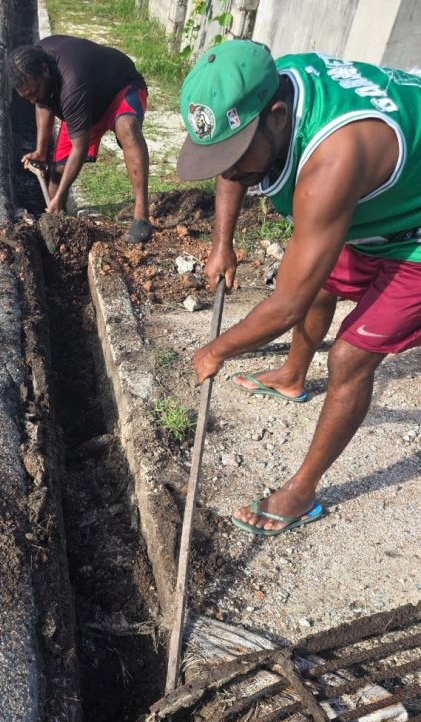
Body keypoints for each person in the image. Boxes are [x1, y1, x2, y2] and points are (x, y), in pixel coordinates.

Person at [176, 40, 421, 537]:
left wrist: (216, 349)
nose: (229, 169)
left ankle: (302, 492)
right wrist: (222, 242)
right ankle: (292, 376)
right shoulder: (259, 87)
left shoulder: (334, 160)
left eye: (237, 154)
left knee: (351, 357)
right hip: (383, 204)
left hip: (415, 233)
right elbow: (233, 162)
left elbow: (286, 306)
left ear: (279, 117)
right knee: (322, 282)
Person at [8, 36, 152, 243]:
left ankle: (142, 216)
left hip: (120, 90)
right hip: (84, 106)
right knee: (56, 179)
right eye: (26, 97)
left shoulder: (72, 83)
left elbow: (80, 147)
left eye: (34, 92)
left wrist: (60, 197)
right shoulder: (34, 66)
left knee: (127, 128)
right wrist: (41, 151)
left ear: (46, 70)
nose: (32, 99)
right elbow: (42, 103)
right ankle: (59, 238)